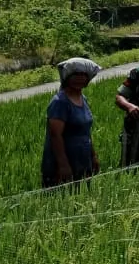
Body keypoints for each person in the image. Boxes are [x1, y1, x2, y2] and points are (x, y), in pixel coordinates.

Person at [43, 57, 102, 188]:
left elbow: (86, 132)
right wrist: (63, 165)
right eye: (76, 74)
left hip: (82, 157)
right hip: (66, 159)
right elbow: (55, 135)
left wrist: (93, 156)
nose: (80, 78)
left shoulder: (83, 99)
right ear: (67, 77)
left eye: (83, 75)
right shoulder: (60, 102)